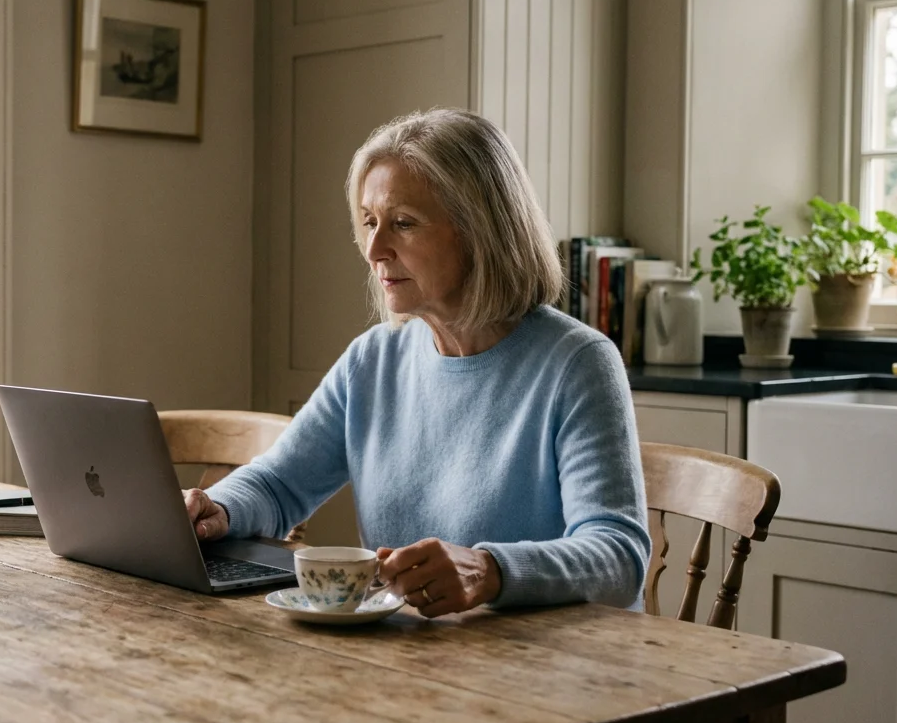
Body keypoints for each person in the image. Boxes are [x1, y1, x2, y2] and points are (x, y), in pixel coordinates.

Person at [184, 108, 651, 618]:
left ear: (481, 230)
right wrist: (217, 510)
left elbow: (618, 557)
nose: (374, 249)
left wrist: (490, 571)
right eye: (368, 223)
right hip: (414, 662)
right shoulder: (373, 359)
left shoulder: (578, 364)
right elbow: (279, 484)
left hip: (551, 670)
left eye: (402, 223)